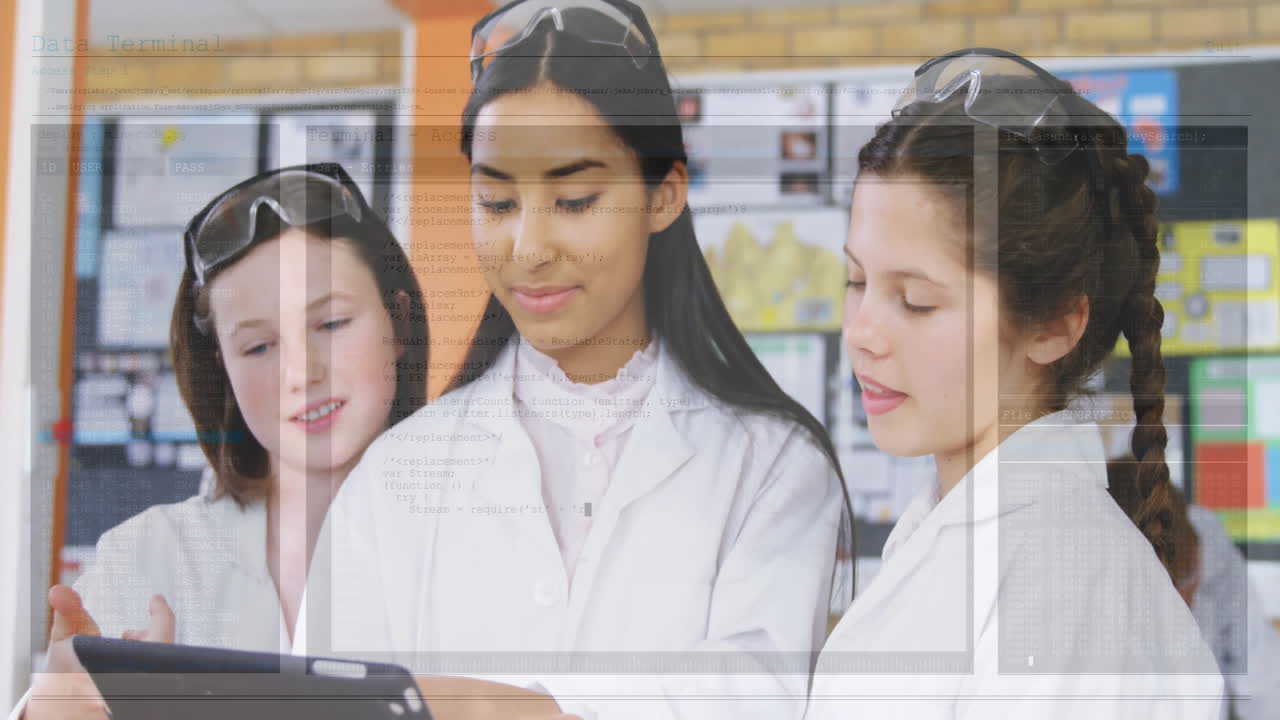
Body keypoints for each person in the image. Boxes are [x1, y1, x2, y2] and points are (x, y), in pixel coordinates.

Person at [301, 2, 853, 719]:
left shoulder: (772, 466)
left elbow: (756, 699)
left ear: (664, 195)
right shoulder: (396, 476)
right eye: (497, 202)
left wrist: (515, 709)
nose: (528, 249)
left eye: (574, 199)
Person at [807, 48, 1223, 718]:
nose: (860, 332)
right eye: (857, 281)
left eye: (915, 300)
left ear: (1054, 323)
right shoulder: (956, 534)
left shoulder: (1062, 582)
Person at [14, 163, 428, 720]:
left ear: (398, 322)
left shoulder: (482, 539)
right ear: (223, 371)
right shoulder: (146, 558)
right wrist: (50, 712)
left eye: (331, 324)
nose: (301, 374)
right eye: (258, 347)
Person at [1109, 455, 1280, 720]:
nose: (1188, 603)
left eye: (1191, 583)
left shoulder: (1208, 545)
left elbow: (1263, 678)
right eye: (1174, 598)